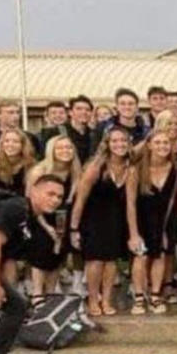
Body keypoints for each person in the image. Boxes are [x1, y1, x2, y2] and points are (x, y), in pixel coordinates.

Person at [0, 174, 65, 354]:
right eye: (50, 194)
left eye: (60, 197)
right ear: (33, 191)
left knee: (12, 306)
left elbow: (8, 257)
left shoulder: (30, 219)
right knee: (11, 307)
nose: (55, 200)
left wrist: (3, 285)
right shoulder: (15, 208)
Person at [70, 127, 132, 317]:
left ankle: (106, 299)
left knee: (111, 262)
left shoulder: (130, 168)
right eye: (114, 141)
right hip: (93, 220)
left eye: (123, 140)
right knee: (95, 261)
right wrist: (74, 228)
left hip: (115, 221)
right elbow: (80, 200)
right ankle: (92, 298)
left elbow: (130, 203)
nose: (119, 144)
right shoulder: (95, 167)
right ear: (107, 144)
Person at [125, 130, 177, 316]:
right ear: (149, 145)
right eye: (157, 142)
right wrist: (133, 233)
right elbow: (130, 203)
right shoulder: (136, 170)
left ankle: (155, 294)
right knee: (140, 257)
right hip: (142, 219)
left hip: (164, 220)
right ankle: (140, 295)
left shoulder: (176, 170)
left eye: (166, 142)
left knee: (161, 256)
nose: (162, 146)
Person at [24, 136, 81, 310]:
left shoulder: (76, 170)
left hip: (63, 216)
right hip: (39, 216)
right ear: (52, 150)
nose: (65, 151)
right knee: (41, 251)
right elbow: (30, 199)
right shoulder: (39, 170)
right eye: (60, 148)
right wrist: (46, 226)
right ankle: (37, 293)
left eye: (69, 147)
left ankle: (50, 293)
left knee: (58, 254)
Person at [39, 95, 94, 164]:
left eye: (87, 110)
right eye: (79, 109)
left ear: (91, 113)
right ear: (70, 112)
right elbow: (44, 159)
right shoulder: (54, 132)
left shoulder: (94, 134)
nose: (84, 112)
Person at [0, 129, 36, 195]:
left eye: (15, 142)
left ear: (23, 145)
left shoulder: (31, 164)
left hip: (20, 202)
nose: (10, 145)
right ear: (2, 143)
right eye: (6, 141)